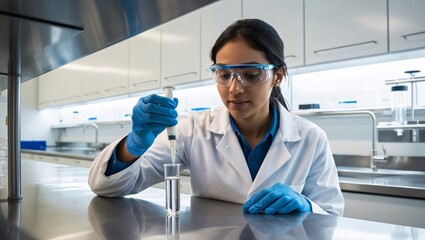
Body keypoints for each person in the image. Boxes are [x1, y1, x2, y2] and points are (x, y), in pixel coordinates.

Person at [88, 19, 344, 216]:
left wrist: (307, 206)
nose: (234, 88)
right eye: (223, 74)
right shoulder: (192, 131)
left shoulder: (311, 138)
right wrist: (134, 144)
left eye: (251, 74)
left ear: (278, 75)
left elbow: (332, 215)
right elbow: (108, 187)